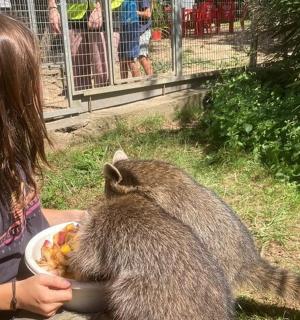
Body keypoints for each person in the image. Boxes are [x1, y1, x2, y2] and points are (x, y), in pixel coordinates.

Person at [0, 14, 87, 320]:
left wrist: (77, 218)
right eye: (31, 75)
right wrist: (16, 296)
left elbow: (21, 222)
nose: (41, 85)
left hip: (37, 285)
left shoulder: (11, 150)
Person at [48, 0, 104, 90]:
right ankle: (83, 101)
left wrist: (98, 6)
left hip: (96, 17)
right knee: (79, 70)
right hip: (73, 18)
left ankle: (104, 97)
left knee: (101, 68)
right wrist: (52, 8)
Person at [118, 0, 141, 79]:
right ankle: (123, 85)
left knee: (131, 58)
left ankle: (138, 86)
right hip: (122, 23)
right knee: (122, 59)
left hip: (132, 22)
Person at [137, 0, 153, 76]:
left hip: (144, 30)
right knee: (145, 57)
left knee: (141, 57)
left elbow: (148, 14)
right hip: (140, 30)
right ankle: (152, 79)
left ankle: (151, 82)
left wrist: (135, 13)